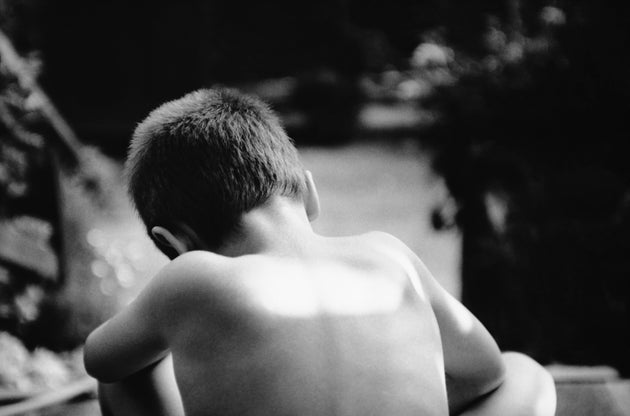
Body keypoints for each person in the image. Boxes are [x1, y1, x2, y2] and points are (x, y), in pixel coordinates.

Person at [83, 88, 556, 416]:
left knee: (127, 372)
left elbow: (100, 359)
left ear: (176, 243)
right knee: (525, 374)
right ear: (309, 194)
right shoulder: (389, 256)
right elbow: (485, 372)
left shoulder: (190, 277)